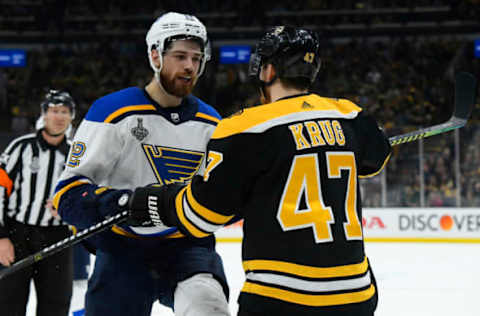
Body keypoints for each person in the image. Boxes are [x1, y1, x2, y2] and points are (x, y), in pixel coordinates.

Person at [126, 26, 392, 315]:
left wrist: (156, 201)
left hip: (280, 296)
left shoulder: (245, 128)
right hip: (355, 294)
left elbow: (200, 217)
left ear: (267, 72)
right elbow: (375, 158)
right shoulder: (349, 115)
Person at [52, 12, 230, 316]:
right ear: (155, 55)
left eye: (197, 58)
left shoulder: (212, 122)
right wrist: (121, 203)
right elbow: (67, 195)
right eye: (180, 56)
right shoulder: (113, 112)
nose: (190, 66)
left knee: (208, 306)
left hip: (187, 245)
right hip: (123, 248)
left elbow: (220, 196)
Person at [0, 89, 76, 316]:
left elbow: (87, 194)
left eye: (65, 111)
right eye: (54, 111)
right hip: (17, 234)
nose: (59, 116)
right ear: (44, 114)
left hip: (58, 237)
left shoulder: (76, 154)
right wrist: (1, 236)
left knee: (56, 304)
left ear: (72, 117)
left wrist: (67, 208)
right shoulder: (20, 148)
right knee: (8, 304)